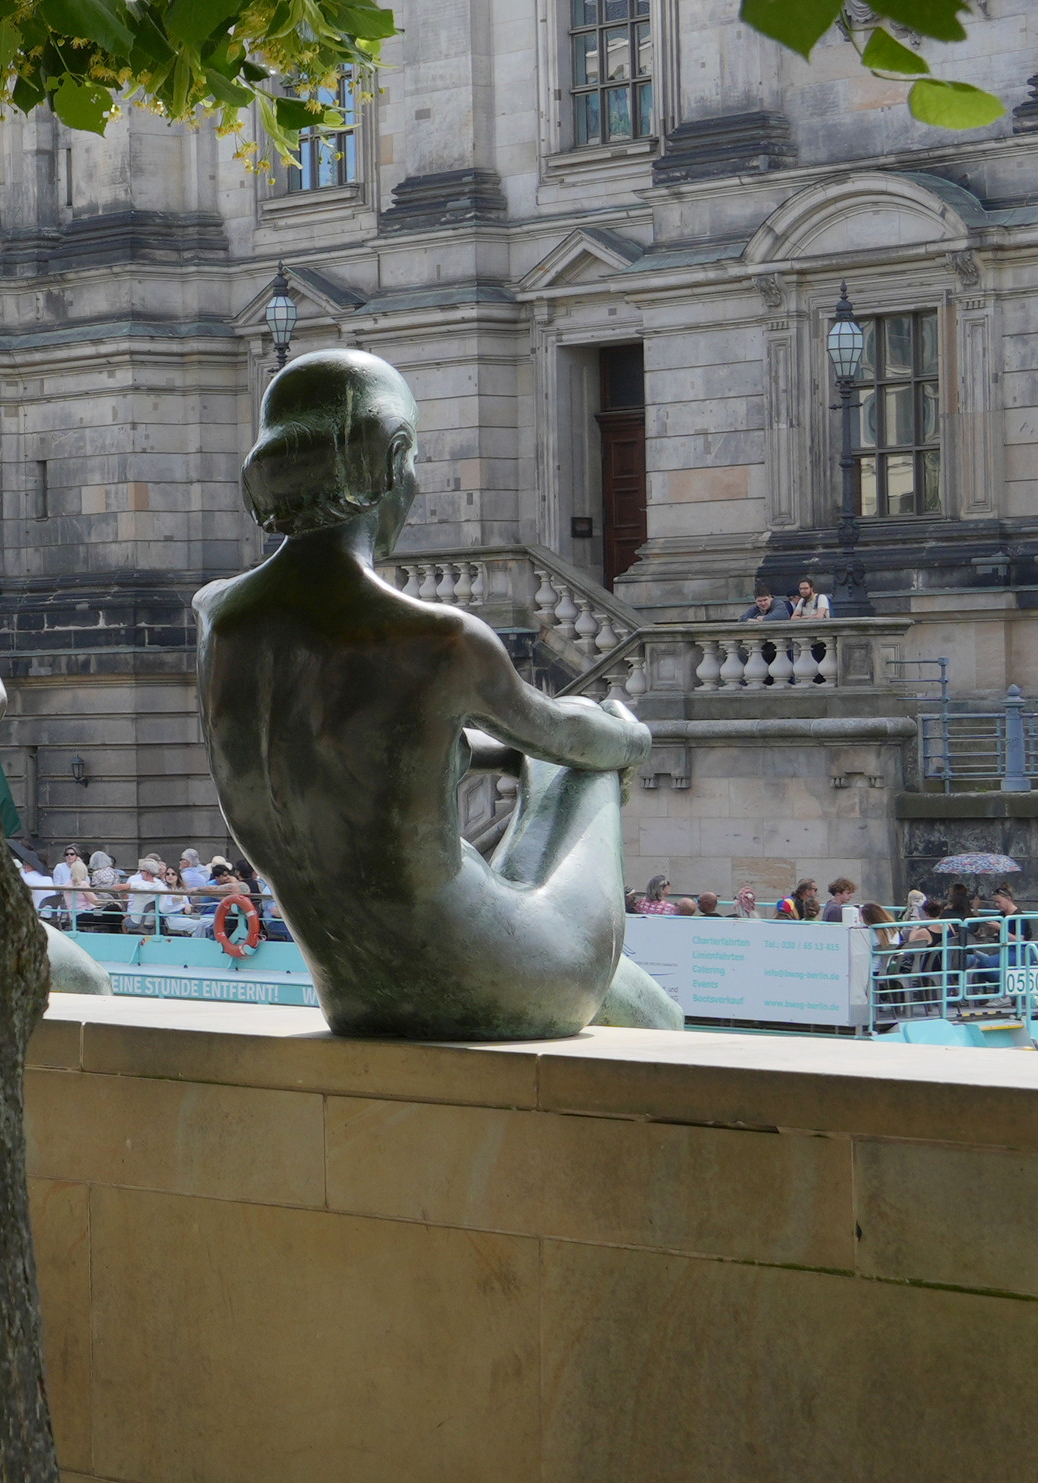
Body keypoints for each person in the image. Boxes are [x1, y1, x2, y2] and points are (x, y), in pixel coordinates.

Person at [196, 347, 678, 1036]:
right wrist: (628, 732)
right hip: (498, 981)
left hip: (356, 992)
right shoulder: (438, 640)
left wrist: (490, 752)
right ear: (393, 461)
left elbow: (365, 752)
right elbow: (572, 741)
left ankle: (651, 1020)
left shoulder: (216, 619)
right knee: (584, 763)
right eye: (414, 459)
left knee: (650, 1008)